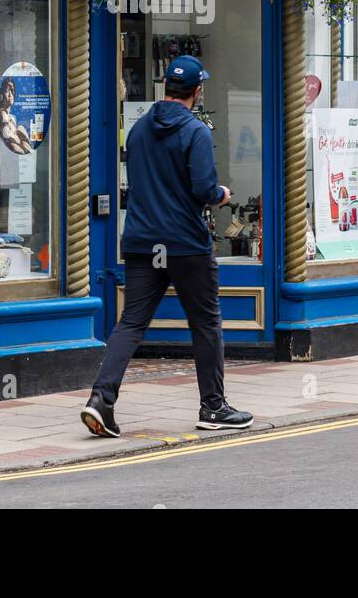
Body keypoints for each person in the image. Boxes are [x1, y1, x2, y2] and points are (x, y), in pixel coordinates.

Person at [81, 55, 253, 438]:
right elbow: (202, 190)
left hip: (142, 240)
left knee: (131, 323)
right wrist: (222, 195)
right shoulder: (196, 132)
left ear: (165, 88)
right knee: (206, 322)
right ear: (197, 91)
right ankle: (213, 407)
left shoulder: (140, 129)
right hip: (185, 243)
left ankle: (100, 398)